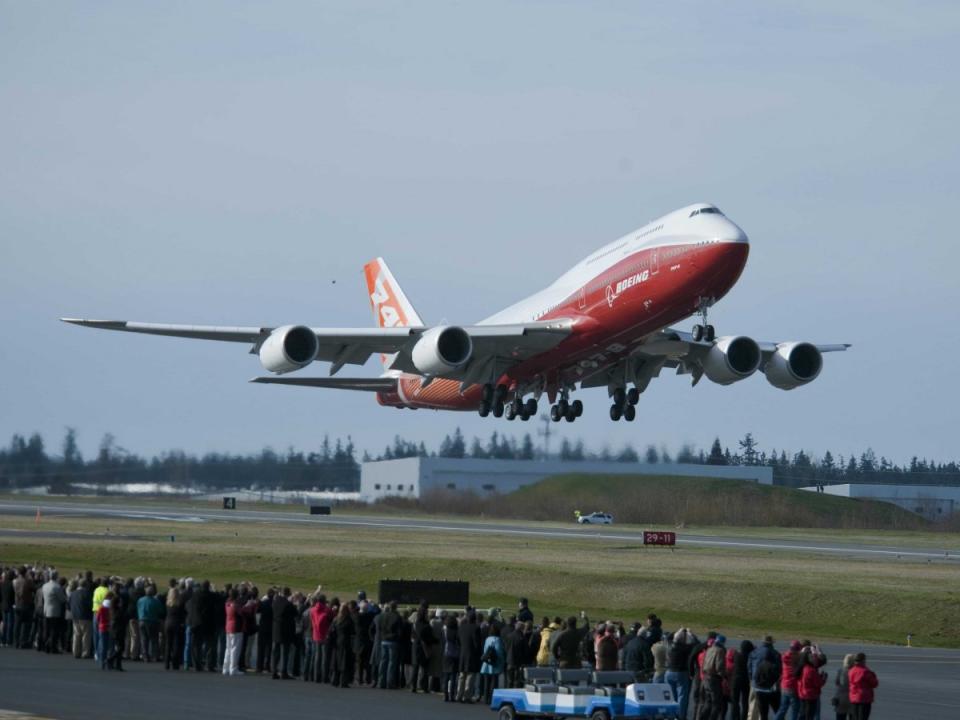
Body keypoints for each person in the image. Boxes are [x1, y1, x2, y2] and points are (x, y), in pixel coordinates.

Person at [748, 636, 783, 720]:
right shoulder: (775, 653)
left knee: (754, 707)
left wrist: (751, 679)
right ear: (771, 643)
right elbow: (779, 670)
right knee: (776, 708)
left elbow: (749, 667)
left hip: (756, 683)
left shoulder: (754, 652)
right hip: (771, 685)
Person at [666, 627, 696, 718]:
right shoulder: (685, 648)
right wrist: (690, 634)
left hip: (669, 672)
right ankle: (680, 716)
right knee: (682, 696)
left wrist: (678, 632)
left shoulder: (669, 646)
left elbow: (669, 637)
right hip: (681, 673)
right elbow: (696, 644)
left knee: (671, 696)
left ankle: (670, 715)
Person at [455, 609, 481, 702]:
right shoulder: (476, 628)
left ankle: (459, 694)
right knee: (470, 676)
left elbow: (458, 640)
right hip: (472, 654)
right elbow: (477, 643)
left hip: (463, 653)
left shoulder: (461, 627)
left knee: (462, 676)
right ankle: (467, 696)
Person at [775, 640, 804, 720]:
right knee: (795, 711)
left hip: (784, 686)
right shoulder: (796, 658)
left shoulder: (785, 656)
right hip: (793, 687)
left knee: (782, 709)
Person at [376, 600, 402, 689]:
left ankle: (381, 682)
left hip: (383, 640)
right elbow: (399, 631)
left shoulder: (383, 616)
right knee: (391, 663)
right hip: (393, 641)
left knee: (383, 661)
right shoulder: (397, 617)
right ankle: (389, 682)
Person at [272, 587, 296, 680]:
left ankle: (274, 671)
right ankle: (283, 671)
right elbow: (295, 613)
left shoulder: (275, 602)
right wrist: (292, 603)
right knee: (285, 652)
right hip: (286, 630)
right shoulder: (288, 604)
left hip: (276, 628)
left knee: (275, 651)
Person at [410, 604, 435, 693]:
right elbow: (429, 637)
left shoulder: (416, 624)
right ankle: (423, 686)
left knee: (415, 667)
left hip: (416, 646)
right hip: (424, 647)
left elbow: (412, 634)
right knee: (424, 668)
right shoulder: (426, 625)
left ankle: (413, 686)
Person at [797, 648, 827, 720]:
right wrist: (824, 678)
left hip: (802, 693)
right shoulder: (811, 670)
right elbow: (818, 683)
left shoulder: (802, 667)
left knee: (803, 713)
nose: (815, 661)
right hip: (810, 695)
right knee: (809, 715)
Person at [479, 622, 505, 704]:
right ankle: (492, 698)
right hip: (494, 663)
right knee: (494, 682)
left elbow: (485, 650)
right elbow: (499, 652)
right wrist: (501, 661)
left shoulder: (487, 639)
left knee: (487, 682)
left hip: (486, 663)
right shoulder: (497, 640)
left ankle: (486, 698)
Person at [137, 584, 163, 662]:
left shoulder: (140, 600)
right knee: (154, 639)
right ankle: (154, 656)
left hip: (142, 620)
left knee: (144, 639)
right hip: (152, 621)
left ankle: (145, 656)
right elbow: (161, 611)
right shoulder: (156, 601)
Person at [847, 653, 878, 720]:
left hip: (853, 697)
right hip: (864, 698)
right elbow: (874, 683)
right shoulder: (865, 672)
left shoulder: (851, 671)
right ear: (863, 660)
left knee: (854, 717)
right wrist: (872, 674)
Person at [730, 640, 755, 720]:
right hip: (745, 680)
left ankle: (734, 717)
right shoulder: (750, 657)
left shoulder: (736, 655)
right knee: (745, 702)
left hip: (735, 680)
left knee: (735, 702)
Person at [69, 579, 94, 659]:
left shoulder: (73, 593)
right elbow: (91, 605)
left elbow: (69, 604)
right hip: (85, 616)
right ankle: (85, 652)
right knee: (86, 635)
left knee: (76, 634)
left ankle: (76, 651)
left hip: (75, 616)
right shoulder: (87, 593)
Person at [334, 601, 356, 687]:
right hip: (346, 642)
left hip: (338, 641)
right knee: (345, 662)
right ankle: (343, 681)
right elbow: (353, 631)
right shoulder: (348, 620)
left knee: (337, 661)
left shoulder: (336, 619)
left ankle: (335, 680)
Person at [164, 583, 184, 670]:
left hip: (168, 623)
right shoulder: (179, 604)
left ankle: (166, 663)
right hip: (176, 624)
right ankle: (175, 664)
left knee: (168, 644)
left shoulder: (168, 604)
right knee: (176, 644)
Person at [222, 588, 242, 676]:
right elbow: (241, 613)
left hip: (228, 626)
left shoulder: (227, 603)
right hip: (236, 627)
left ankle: (225, 668)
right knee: (235, 648)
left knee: (228, 648)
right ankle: (233, 668)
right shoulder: (235, 604)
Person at [441, 614, 460, 702]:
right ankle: (452, 695)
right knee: (453, 676)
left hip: (446, 654)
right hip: (454, 654)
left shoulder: (445, 631)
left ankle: (445, 695)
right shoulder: (456, 632)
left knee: (446, 676)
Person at [831, 654, 855, 720]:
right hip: (852, 698)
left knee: (840, 717)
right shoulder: (854, 671)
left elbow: (836, 682)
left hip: (841, 698)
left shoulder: (841, 671)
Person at [96, 591, 113, 670]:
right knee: (110, 646)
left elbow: (97, 618)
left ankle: (102, 662)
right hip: (110, 627)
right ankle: (109, 662)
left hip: (102, 627)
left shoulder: (101, 608)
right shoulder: (111, 608)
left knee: (103, 645)